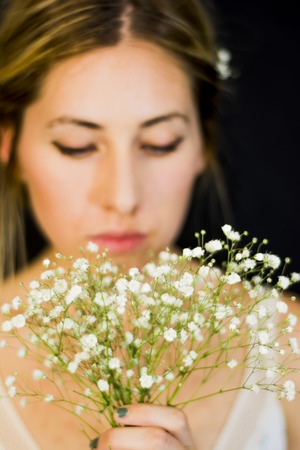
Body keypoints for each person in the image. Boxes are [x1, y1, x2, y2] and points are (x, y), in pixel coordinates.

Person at [0, 1, 299, 449]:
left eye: (160, 144)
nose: (124, 197)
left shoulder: (288, 347)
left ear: (202, 143)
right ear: (10, 144)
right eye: (76, 146)